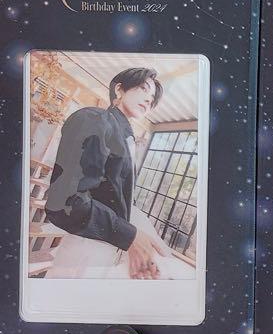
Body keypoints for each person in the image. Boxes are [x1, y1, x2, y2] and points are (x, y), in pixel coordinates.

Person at [43, 67, 184, 281]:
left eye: (153, 98)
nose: (149, 99)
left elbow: (121, 204)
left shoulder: (127, 139)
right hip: (86, 250)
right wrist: (130, 235)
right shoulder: (95, 119)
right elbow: (66, 203)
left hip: (108, 251)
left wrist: (148, 247)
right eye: (143, 88)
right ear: (119, 89)